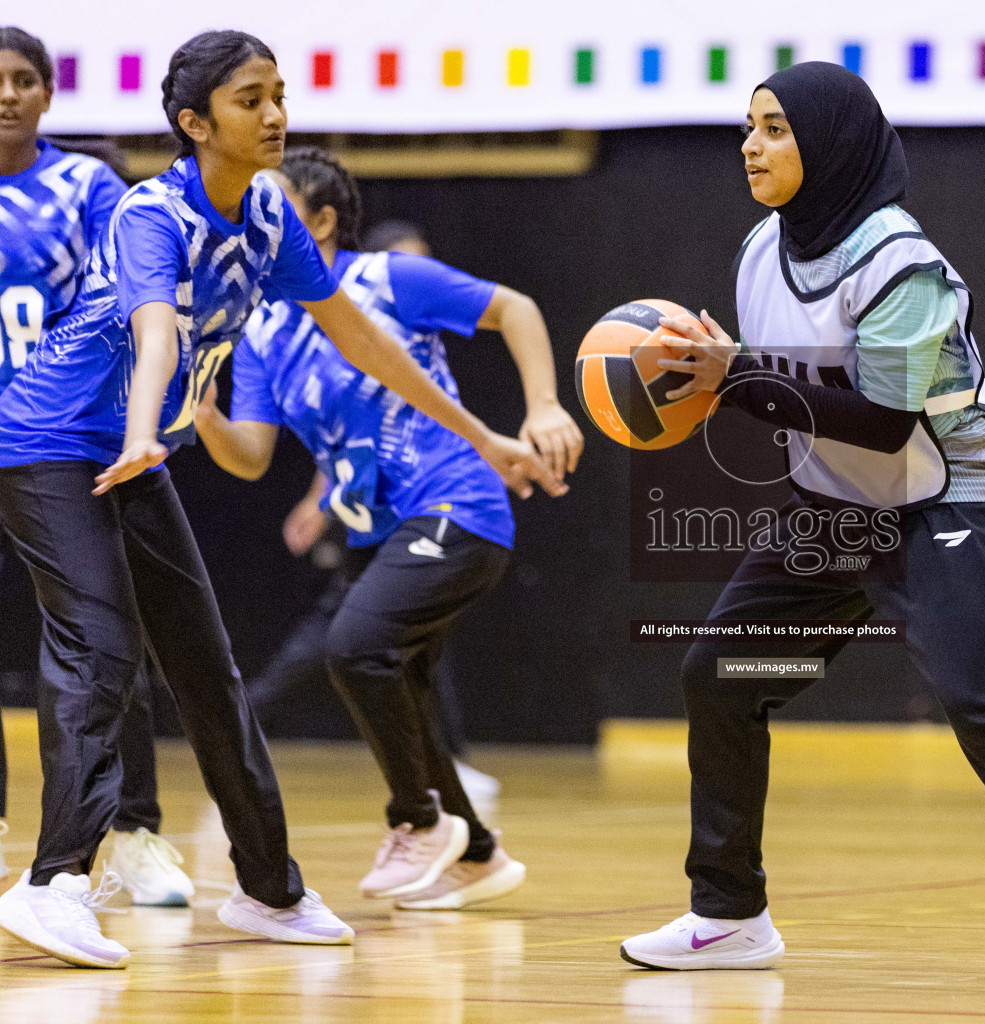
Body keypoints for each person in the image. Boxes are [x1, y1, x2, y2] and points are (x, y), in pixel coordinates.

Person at [0, 30, 560, 969]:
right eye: (250, 99)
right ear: (193, 122)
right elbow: (153, 330)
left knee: (207, 668)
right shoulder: (152, 214)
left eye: (278, 95)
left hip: (133, 452)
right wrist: (146, 429)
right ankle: (53, 882)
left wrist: (485, 435)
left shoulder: (268, 217)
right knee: (98, 648)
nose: (275, 115)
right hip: (49, 441)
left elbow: (363, 338)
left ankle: (269, 890)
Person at [618, 63, 985, 994]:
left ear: (829, 144)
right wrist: (727, 379)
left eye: (776, 129)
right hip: (836, 506)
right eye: (748, 126)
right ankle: (730, 912)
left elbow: (883, 419)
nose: (752, 144)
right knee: (724, 675)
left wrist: (735, 375)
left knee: (974, 692)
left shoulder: (898, 261)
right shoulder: (760, 249)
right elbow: (798, 402)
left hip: (940, 495)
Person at [193, 146, 581, 909]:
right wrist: (203, 411)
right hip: (380, 532)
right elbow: (250, 456)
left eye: (271, 209)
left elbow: (517, 310)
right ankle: (474, 851)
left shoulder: (386, 280)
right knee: (402, 678)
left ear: (324, 221)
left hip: (457, 505)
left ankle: (417, 817)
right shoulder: (266, 332)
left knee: (357, 648)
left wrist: (541, 405)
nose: (252, 228)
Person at [0, 26, 194, 907]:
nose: (6, 93)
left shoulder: (86, 186)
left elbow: (127, 298)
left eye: (22, 78)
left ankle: (136, 831)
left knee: (102, 630)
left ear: (47, 93)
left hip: (60, 437)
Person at [251, 219, 502, 804]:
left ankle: (443, 797)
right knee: (343, 640)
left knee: (407, 646)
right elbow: (339, 433)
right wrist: (317, 503)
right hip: (370, 518)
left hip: (421, 513)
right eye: (412, 264)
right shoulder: (349, 326)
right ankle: (250, 719)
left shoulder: (415, 343)